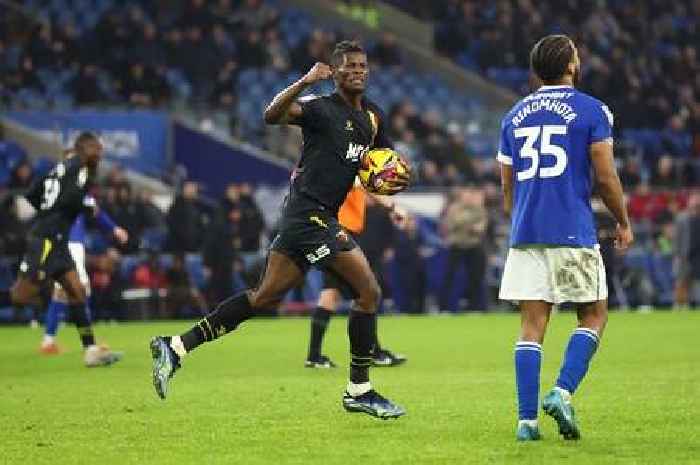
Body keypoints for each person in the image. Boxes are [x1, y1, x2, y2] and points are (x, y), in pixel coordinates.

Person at [150, 41, 410, 419]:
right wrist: (305, 80)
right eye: (349, 66)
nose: (358, 71)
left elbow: (379, 167)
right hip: (309, 218)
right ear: (334, 73)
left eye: (362, 66)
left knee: (263, 298)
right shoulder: (322, 109)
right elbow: (272, 115)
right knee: (368, 291)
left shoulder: (373, 117)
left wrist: (392, 196)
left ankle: (175, 346)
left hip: (309, 219)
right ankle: (360, 389)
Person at [497, 35, 633, 441]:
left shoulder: (513, 116)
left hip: (526, 231)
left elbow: (508, 185)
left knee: (531, 326)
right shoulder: (593, 110)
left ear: (537, 70)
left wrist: (519, 219)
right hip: (572, 228)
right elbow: (606, 177)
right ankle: (561, 391)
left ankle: (526, 423)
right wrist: (623, 221)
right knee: (593, 314)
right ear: (571, 65)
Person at [0, 133, 126, 366]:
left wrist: (49, 210)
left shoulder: (58, 168)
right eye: (96, 149)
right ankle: (55, 339)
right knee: (21, 295)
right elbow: (75, 198)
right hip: (46, 239)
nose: (99, 154)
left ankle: (90, 351)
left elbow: (32, 193)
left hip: (58, 241)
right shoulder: (80, 170)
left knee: (76, 290)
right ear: (84, 149)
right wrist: (76, 210)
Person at [305, 183, 407, 368]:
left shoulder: (324, 166)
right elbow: (366, 186)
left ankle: (314, 356)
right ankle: (374, 352)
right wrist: (393, 207)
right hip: (339, 233)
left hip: (328, 231)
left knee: (331, 293)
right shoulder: (345, 163)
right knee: (366, 292)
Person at [39, 204, 129, 360]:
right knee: (80, 292)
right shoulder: (74, 186)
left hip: (62, 242)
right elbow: (95, 210)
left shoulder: (56, 188)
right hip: (71, 244)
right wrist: (114, 228)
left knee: (62, 293)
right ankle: (89, 346)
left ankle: (49, 341)